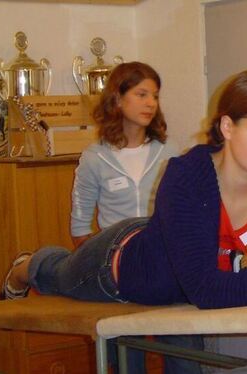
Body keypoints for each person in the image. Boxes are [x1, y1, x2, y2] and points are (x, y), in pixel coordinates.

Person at [0, 70, 247, 370]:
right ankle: (25, 265)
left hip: (180, 289)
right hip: (119, 265)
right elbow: (205, 289)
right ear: (228, 127)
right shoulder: (188, 174)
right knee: (55, 272)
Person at [65, 61, 192, 374]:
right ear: (118, 100)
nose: (151, 103)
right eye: (142, 94)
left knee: (184, 357)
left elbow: (182, 209)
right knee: (125, 362)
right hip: (118, 270)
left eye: (155, 96)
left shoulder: (170, 150)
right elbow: (80, 226)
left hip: (165, 263)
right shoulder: (95, 157)